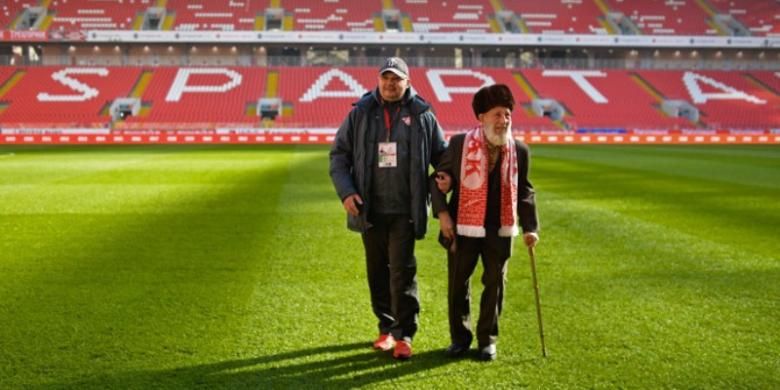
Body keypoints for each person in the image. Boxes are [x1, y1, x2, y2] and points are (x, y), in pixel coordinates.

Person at [329, 57, 447, 360]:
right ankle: (385, 327)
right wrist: (346, 192)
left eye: (396, 79)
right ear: (378, 81)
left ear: (407, 82)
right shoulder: (360, 113)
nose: (390, 84)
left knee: (402, 271)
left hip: (406, 210)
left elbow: (441, 156)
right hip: (369, 209)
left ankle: (405, 333)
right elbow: (339, 156)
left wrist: (446, 177)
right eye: (386, 78)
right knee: (377, 271)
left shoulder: (422, 115)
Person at [430, 84, 539, 361]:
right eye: (497, 115)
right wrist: (443, 215)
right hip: (462, 227)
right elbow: (437, 180)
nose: (504, 121)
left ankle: (487, 340)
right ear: (481, 117)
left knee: (495, 283)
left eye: (507, 115)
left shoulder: (520, 151)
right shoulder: (458, 144)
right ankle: (460, 339)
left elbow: (525, 190)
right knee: (458, 283)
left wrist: (531, 228)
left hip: (500, 228)